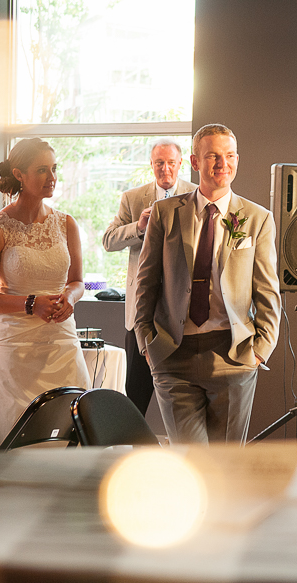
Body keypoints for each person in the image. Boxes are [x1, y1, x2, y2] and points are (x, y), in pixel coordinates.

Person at [133, 123, 281, 444]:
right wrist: (146, 342)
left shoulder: (257, 218)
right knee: (189, 460)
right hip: (173, 355)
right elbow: (146, 283)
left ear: (237, 160)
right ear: (195, 161)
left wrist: (260, 350)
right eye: (212, 156)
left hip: (233, 356)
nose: (221, 164)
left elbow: (268, 291)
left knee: (224, 466)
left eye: (229, 156)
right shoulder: (165, 213)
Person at [0, 138, 91, 454]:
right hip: (12, 350)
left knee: (67, 435)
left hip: (61, 345)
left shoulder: (66, 224)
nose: (52, 177)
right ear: (20, 174)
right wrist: (30, 303)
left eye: (54, 168)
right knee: (8, 435)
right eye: (42, 170)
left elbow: (78, 281)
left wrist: (70, 296)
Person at [102, 139, 196, 415]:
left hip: (182, 310)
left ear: (181, 164)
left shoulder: (196, 195)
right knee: (135, 396)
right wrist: (138, 227)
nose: (165, 169)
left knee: (183, 397)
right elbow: (108, 241)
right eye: (159, 163)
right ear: (151, 165)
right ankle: (129, 449)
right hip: (141, 310)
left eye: (170, 163)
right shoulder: (132, 198)